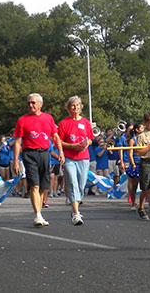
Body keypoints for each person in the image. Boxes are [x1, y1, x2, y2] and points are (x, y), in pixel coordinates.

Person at [12, 93, 65, 227]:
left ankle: (39, 213)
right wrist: (15, 161)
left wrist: (61, 153)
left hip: (44, 154)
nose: (31, 105)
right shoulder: (22, 120)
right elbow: (18, 142)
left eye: (33, 102)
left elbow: (55, 136)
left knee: (44, 187)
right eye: (29, 103)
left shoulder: (48, 118)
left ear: (40, 104)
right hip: (29, 153)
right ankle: (38, 215)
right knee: (34, 185)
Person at [57, 95, 92, 226]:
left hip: (83, 157)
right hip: (69, 157)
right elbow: (59, 141)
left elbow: (89, 138)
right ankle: (76, 213)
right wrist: (72, 146)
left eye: (77, 105)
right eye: (73, 105)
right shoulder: (64, 123)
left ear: (81, 107)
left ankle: (75, 206)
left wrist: (85, 144)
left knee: (81, 185)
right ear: (68, 108)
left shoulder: (85, 122)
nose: (75, 107)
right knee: (72, 182)